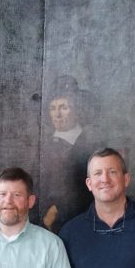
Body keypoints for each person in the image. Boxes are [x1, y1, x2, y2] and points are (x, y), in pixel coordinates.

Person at [40, 81, 95, 232]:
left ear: (77, 110)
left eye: (64, 107)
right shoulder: (44, 144)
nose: (57, 114)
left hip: (79, 220)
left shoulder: (89, 143)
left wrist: (57, 210)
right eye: (53, 108)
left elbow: (84, 189)